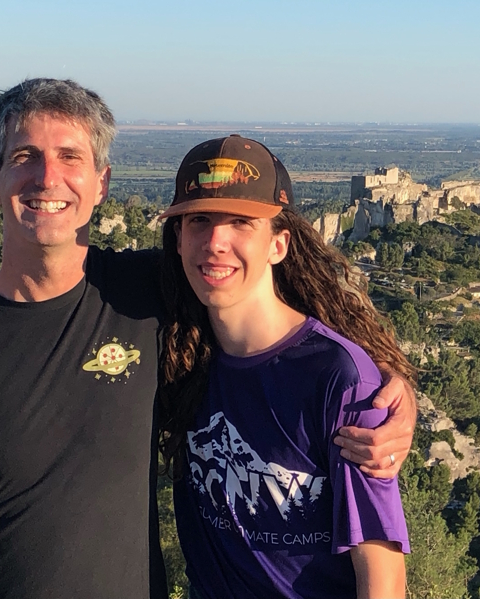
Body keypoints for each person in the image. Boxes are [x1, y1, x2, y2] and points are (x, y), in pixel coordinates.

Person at [0, 79, 416, 598]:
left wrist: (386, 385)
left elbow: (285, 313)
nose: (48, 177)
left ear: (101, 183)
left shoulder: (146, 295)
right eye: (25, 156)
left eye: (70, 157)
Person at [156, 136, 411, 599]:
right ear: (178, 240)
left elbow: (382, 572)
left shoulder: (336, 377)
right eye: (199, 220)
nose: (215, 242)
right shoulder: (177, 351)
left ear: (278, 245)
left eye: (240, 222)